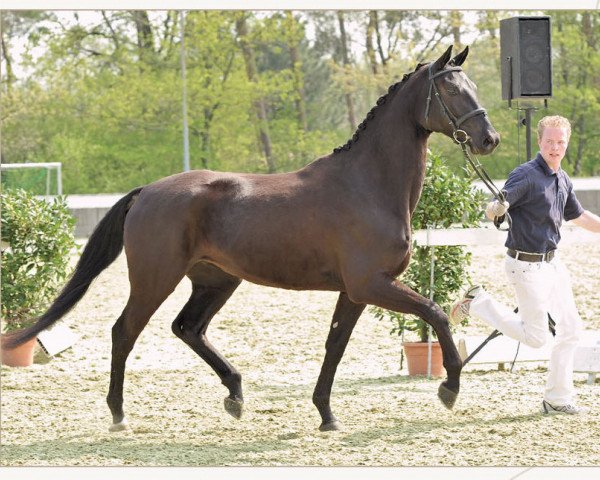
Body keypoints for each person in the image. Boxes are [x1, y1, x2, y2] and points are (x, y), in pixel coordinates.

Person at [450, 115, 600, 415]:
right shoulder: (526, 174)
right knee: (536, 338)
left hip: (553, 264)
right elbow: (496, 207)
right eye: (549, 142)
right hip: (525, 266)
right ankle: (478, 302)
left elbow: (579, 216)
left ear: (566, 143)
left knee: (570, 330)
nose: (555, 148)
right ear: (540, 141)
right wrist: (496, 209)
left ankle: (557, 399)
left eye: (560, 142)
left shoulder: (562, 179)